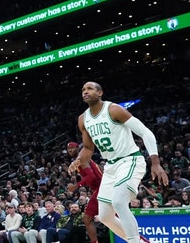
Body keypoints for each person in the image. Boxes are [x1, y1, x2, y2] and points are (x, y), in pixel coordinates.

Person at [68, 82, 169, 243]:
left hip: (130, 160)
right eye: (83, 89)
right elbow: (87, 148)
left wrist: (155, 162)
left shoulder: (113, 109)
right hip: (111, 166)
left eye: (89, 89)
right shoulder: (83, 119)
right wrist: (79, 160)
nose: (85, 92)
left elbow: (145, 132)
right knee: (105, 216)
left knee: (119, 202)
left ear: (100, 92)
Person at [66, 142, 102, 243]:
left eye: (73, 148)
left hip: (101, 189)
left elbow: (92, 177)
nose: (70, 150)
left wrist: (76, 186)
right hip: (100, 188)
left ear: (78, 149)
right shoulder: (81, 160)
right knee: (109, 217)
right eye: (68, 149)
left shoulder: (81, 159)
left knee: (87, 219)